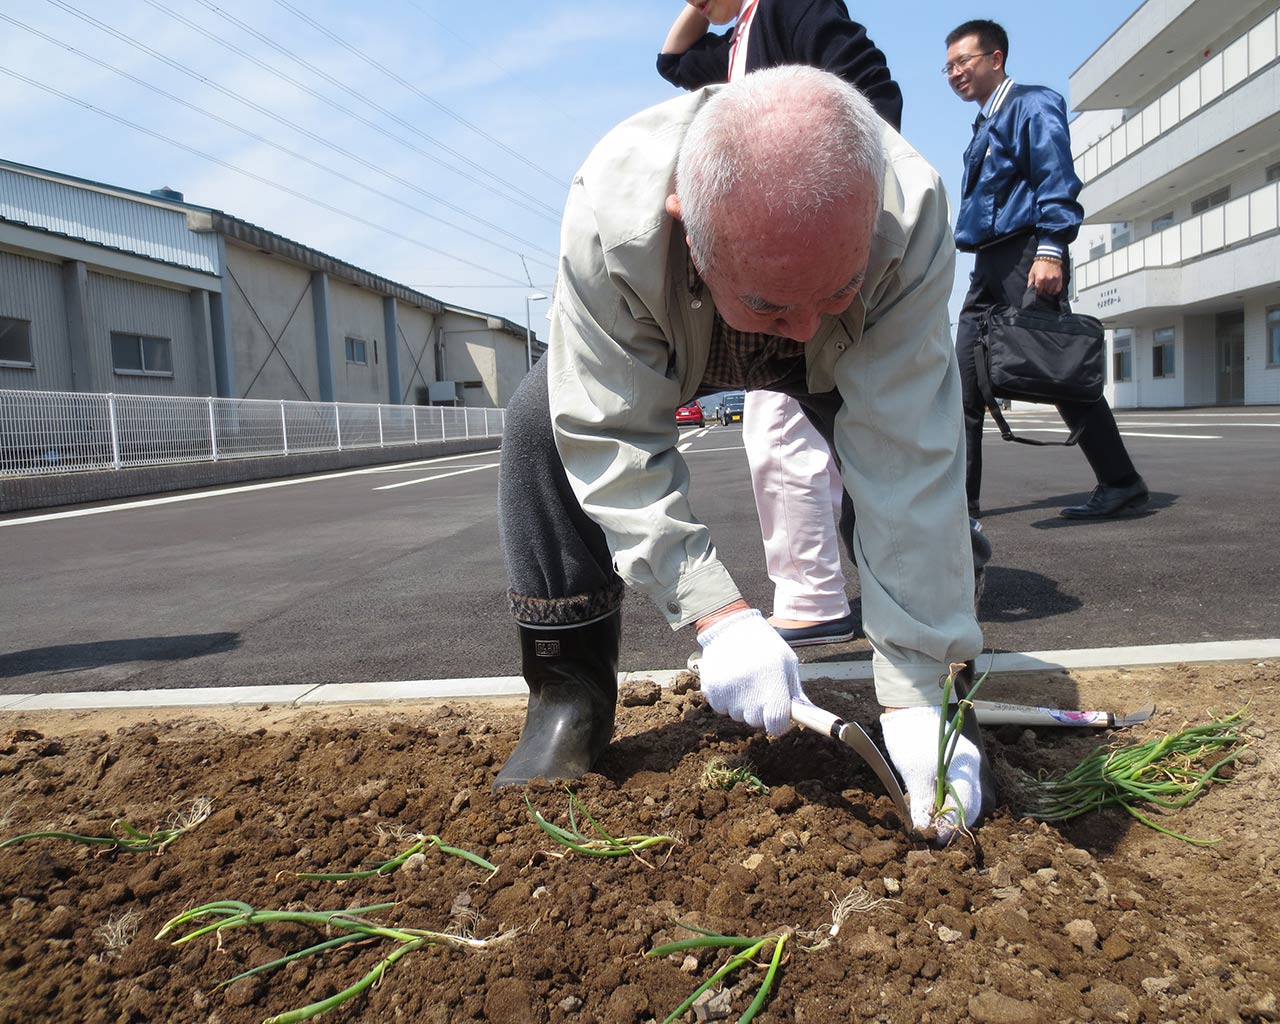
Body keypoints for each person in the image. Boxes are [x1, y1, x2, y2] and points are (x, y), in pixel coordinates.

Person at [495, 66, 992, 836]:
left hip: (846, 353)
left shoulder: (909, 211)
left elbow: (906, 452)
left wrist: (917, 690)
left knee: (916, 458)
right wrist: (716, 616)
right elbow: (611, 430)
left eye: (831, 290)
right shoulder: (613, 218)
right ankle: (568, 690)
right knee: (538, 417)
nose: (795, 328)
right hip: (683, 326)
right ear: (685, 227)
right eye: (771, 304)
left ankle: (937, 679)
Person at [655, 0, 903, 647]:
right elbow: (671, 61)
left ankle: (814, 599)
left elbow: (873, 92)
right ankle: (935, 552)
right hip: (783, 253)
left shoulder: (793, 6)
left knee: (783, 429)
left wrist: (831, 214)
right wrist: (697, 9)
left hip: (809, 252)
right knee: (854, 427)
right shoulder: (739, 37)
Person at [945, 19, 1148, 520]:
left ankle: (1122, 481)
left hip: (1027, 254)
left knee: (1058, 372)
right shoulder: (985, 122)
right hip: (988, 264)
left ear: (996, 58)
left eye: (963, 61)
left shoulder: (1031, 104)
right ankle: (958, 507)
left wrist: (1052, 247)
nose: (953, 73)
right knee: (963, 381)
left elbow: (1055, 176)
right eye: (947, 67)